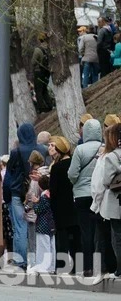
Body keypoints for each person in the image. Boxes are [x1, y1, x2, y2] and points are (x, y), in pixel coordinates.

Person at [2, 122, 48, 268]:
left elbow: (9, 176)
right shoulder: (43, 149)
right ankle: (35, 259)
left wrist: (7, 195)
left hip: (18, 193)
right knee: (35, 226)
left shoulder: (16, 152)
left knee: (20, 227)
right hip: (37, 192)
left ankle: (20, 260)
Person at [70, 116, 104, 276]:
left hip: (82, 196)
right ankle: (103, 264)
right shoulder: (104, 148)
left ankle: (88, 267)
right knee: (101, 231)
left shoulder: (80, 149)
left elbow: (72, 173)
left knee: (86, 232)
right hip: (100, 195)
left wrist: (76, 182)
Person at [91, 123, 121, 273]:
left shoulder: (109, 157)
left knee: (115, 237)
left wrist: (96, 203)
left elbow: (103, 182)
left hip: (114, 202)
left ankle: (115, 268)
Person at [46, 136, 76, 273]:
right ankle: (78, 266)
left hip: (60, 208)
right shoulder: (74, 163)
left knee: (62, 240)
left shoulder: (56, 168)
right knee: (76, 238)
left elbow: (54, 190)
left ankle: (62, 266)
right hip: (74, 205)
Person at [31, 35, 53, 113]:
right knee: (44, 90)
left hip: (39, 72)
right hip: (47, 72)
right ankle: (50, 105)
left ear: (40, 40)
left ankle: (42, 109)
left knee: (38, 91)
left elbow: (33, 62)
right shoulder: (50, 49)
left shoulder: (38, 50)